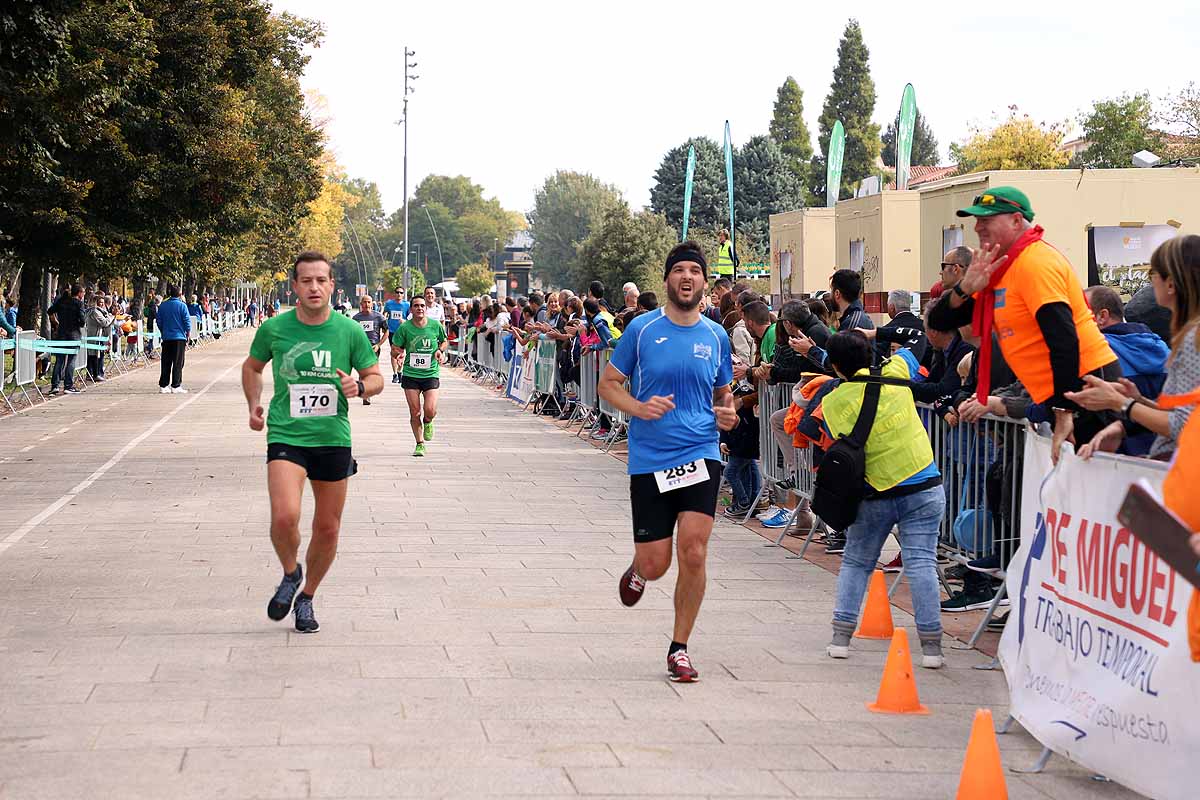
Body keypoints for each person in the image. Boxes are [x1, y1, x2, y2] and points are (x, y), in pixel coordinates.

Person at [600, 241, 738, 683]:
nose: (686, 277)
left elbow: (723, 394)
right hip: (650, 457)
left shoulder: (715, 336)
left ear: (704, 281)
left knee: (694, 549)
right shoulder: (642, 330)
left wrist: (729, 413)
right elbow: (608, 384)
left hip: (700, 451)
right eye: (678, 270)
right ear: (666, 280)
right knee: (658, 563)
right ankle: (640, 567)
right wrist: (639, 408)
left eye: (694, 271)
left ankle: (679, 648)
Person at [242, 251, 383, 634]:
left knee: (328, 529)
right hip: (287, 433)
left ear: (332, 286)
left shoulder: (349, 331)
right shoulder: (274, 329)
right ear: (295, 286)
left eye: (321, 280)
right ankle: (291, 572)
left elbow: (376, 377)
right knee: (285, 516)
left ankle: (306, 597)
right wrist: (254, 404)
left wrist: (359, 387)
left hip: (332, 438)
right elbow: (252, 367)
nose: (314, 287)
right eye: (306, 281)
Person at [929, 186, 1119, 460]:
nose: (978, 227)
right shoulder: (1001, 270)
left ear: (1017, 221)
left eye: (987, 219)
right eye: (977, 220)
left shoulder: (1035, 263)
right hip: (1063, 392)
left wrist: (1064, 410)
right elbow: (939, 320)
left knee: (1088, 488)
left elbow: (1064, 340)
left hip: (1088, 385)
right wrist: (965, 288)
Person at [819, 331, 946, 668]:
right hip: (923, 483)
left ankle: (841, 639)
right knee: (921, 563)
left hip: (875, 492)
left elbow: (837, 437)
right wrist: (879, 335)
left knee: (857, 562)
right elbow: (917, 335)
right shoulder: (896, 372)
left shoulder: (832, 402)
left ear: (834, 366)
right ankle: (932, 648)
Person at [1068, 235, 1200, 462]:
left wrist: (1122, 404)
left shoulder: (1193, 339)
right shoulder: (1187, 336)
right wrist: (1140, 402)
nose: (1151, 283)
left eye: (1153, 275)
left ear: (1171, 284)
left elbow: (1184, 425)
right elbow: (1181, 413)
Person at [391, 293, 448, 457]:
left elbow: (444, 341)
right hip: (411, 374)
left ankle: (428, 421)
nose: (420, 308)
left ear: (426, 308)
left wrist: (439, 350)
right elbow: (396, 347)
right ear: (411, 309)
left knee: (429, 410)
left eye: (422, 305)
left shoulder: (435, 325)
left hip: (430, 373)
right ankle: (419, 443)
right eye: (416, 305)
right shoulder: (405, 328)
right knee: (415, 412)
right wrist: (399, 354)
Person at [787, 270, 875, 371]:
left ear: (837, 293)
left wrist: (810, 350)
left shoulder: (853, 323)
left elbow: (839, 364)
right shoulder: (853, 319)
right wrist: (812, 350)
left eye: (831, 290)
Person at [47, 284, 86, 396]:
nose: (83, 295)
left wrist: (56, 323)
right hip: (73, 334)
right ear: (79, 293)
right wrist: (79, 323)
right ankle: (68, 385)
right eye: (83, 293)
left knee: (60, 360)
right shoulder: (79, 303)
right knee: (71, 360)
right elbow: (82, 320)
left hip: (61, 334)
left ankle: (55, 386)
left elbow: (50, 311)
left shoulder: (62, 301)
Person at [352, 296, 388, 406]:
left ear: (372, 304)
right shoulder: (356, 318)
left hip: (373, 347)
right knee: (363, 370)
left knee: (370, 371)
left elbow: (386, 332)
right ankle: (366, 393)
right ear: (361, 304)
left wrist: (379, 344)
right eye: (364, 302)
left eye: (369, 302)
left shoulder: (379, 317)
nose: (367, 304)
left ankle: (367, 393)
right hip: (361, 348)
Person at [156, 285, 192, 394]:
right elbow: (187, 321)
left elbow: (159, 321)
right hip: (179, 337)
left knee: (166, 361)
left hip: (167, 337)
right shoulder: (182, 306)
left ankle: (163, 385)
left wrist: (163, 330)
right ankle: (176, 385)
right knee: (178, 362)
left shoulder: (163, 305)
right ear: (180, 294)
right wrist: (188, 334)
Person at [85, 294, 115, 381]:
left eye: (103, 302)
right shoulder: (95, 311)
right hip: (94, 336)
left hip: (98, 336)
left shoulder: (100, 311)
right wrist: (111, 316)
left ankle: (94, 374)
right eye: (100, 302)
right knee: (94, 355)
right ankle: (95, 374)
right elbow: (104, 322)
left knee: (96, 355)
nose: (102, 304)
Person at [383, 288, 410, 383]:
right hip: (392, 331)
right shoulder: (389, 304)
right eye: (397, 292)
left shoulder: (407, 305)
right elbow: (384, 314)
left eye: (401, 293)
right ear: (394, 294)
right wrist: (385, 321)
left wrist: (405, 321)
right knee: (394, 352)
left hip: (403, 332)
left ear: (403, 294)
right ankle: (395, 374)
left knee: (402, 353)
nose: (399, 294)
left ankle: (400, 371)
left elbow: (411, 318)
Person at [144, 290, 159, 356]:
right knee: (152, 338)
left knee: (151, 338)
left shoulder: (149, 305)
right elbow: (155, 315)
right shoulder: (154, 306)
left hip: (149, 323)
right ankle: (148, 349)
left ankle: (149, 349)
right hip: (152, 324)